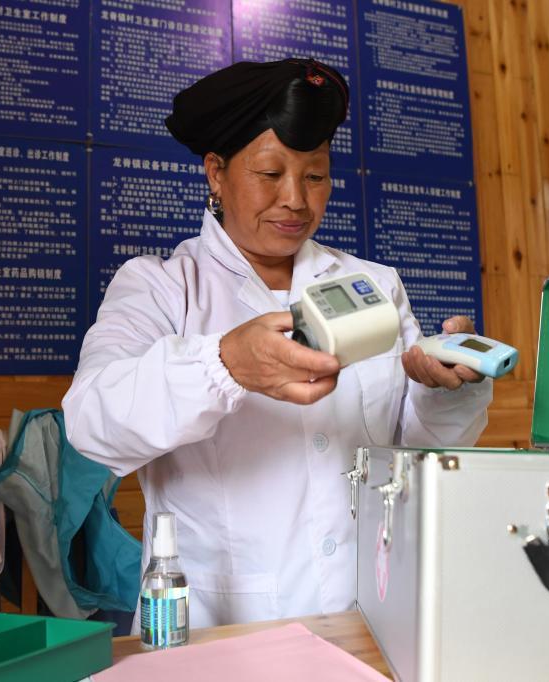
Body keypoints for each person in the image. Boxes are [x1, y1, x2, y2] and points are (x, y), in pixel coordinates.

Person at [62, 58, 492, 631]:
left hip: (370, 615)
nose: (296, 199)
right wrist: (224, 365)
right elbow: (91, 421)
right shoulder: (161, 287)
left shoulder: (374, 284)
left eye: (315, 176)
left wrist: (441, 392)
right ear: (216, 172)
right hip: (222, 624)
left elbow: (408, 452)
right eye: (270, 173)